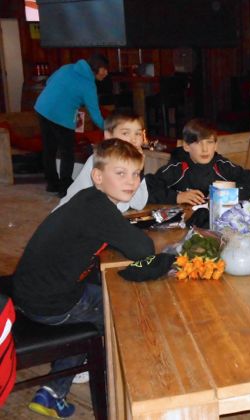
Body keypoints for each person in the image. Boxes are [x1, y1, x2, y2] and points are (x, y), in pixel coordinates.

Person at [12, 139, 155, 418]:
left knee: (99, 296)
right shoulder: (99, 209)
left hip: (30, 292)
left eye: (136, 174)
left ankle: (53, 392)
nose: (131, 181)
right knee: (121, 311)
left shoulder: (88, 200)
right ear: (97, 176)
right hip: (51, 304)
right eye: (121, 173)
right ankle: (126, 390)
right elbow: (143, 249)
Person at [146, 118, 250, 205]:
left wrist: (231, 194)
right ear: (186, 146)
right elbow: (145, 190)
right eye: (198, 143)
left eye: (209, 142)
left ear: (216, 145)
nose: (205, 149)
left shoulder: (223, 167)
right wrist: (177, 197)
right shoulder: (177, 168)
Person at [35, 53, 108, 197]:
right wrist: (108, 129)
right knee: (67, 151)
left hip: (42, 108)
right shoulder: (88, 85)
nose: (106, 73)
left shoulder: (67, 67)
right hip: (61, 117)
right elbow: (95, 113)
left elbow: (49, 81)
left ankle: (52, 184)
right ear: (97, 68)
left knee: (49, 149)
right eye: (104, 69)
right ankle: (65, 186)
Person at [55, 111, 148, 213]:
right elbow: (109, 207)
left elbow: (139, 204)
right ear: (108, 135)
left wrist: (140, 170)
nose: (133, 139)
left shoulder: (132, 165)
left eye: (138, 133)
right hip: (72, 214)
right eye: (125, 133)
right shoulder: (100, 160)